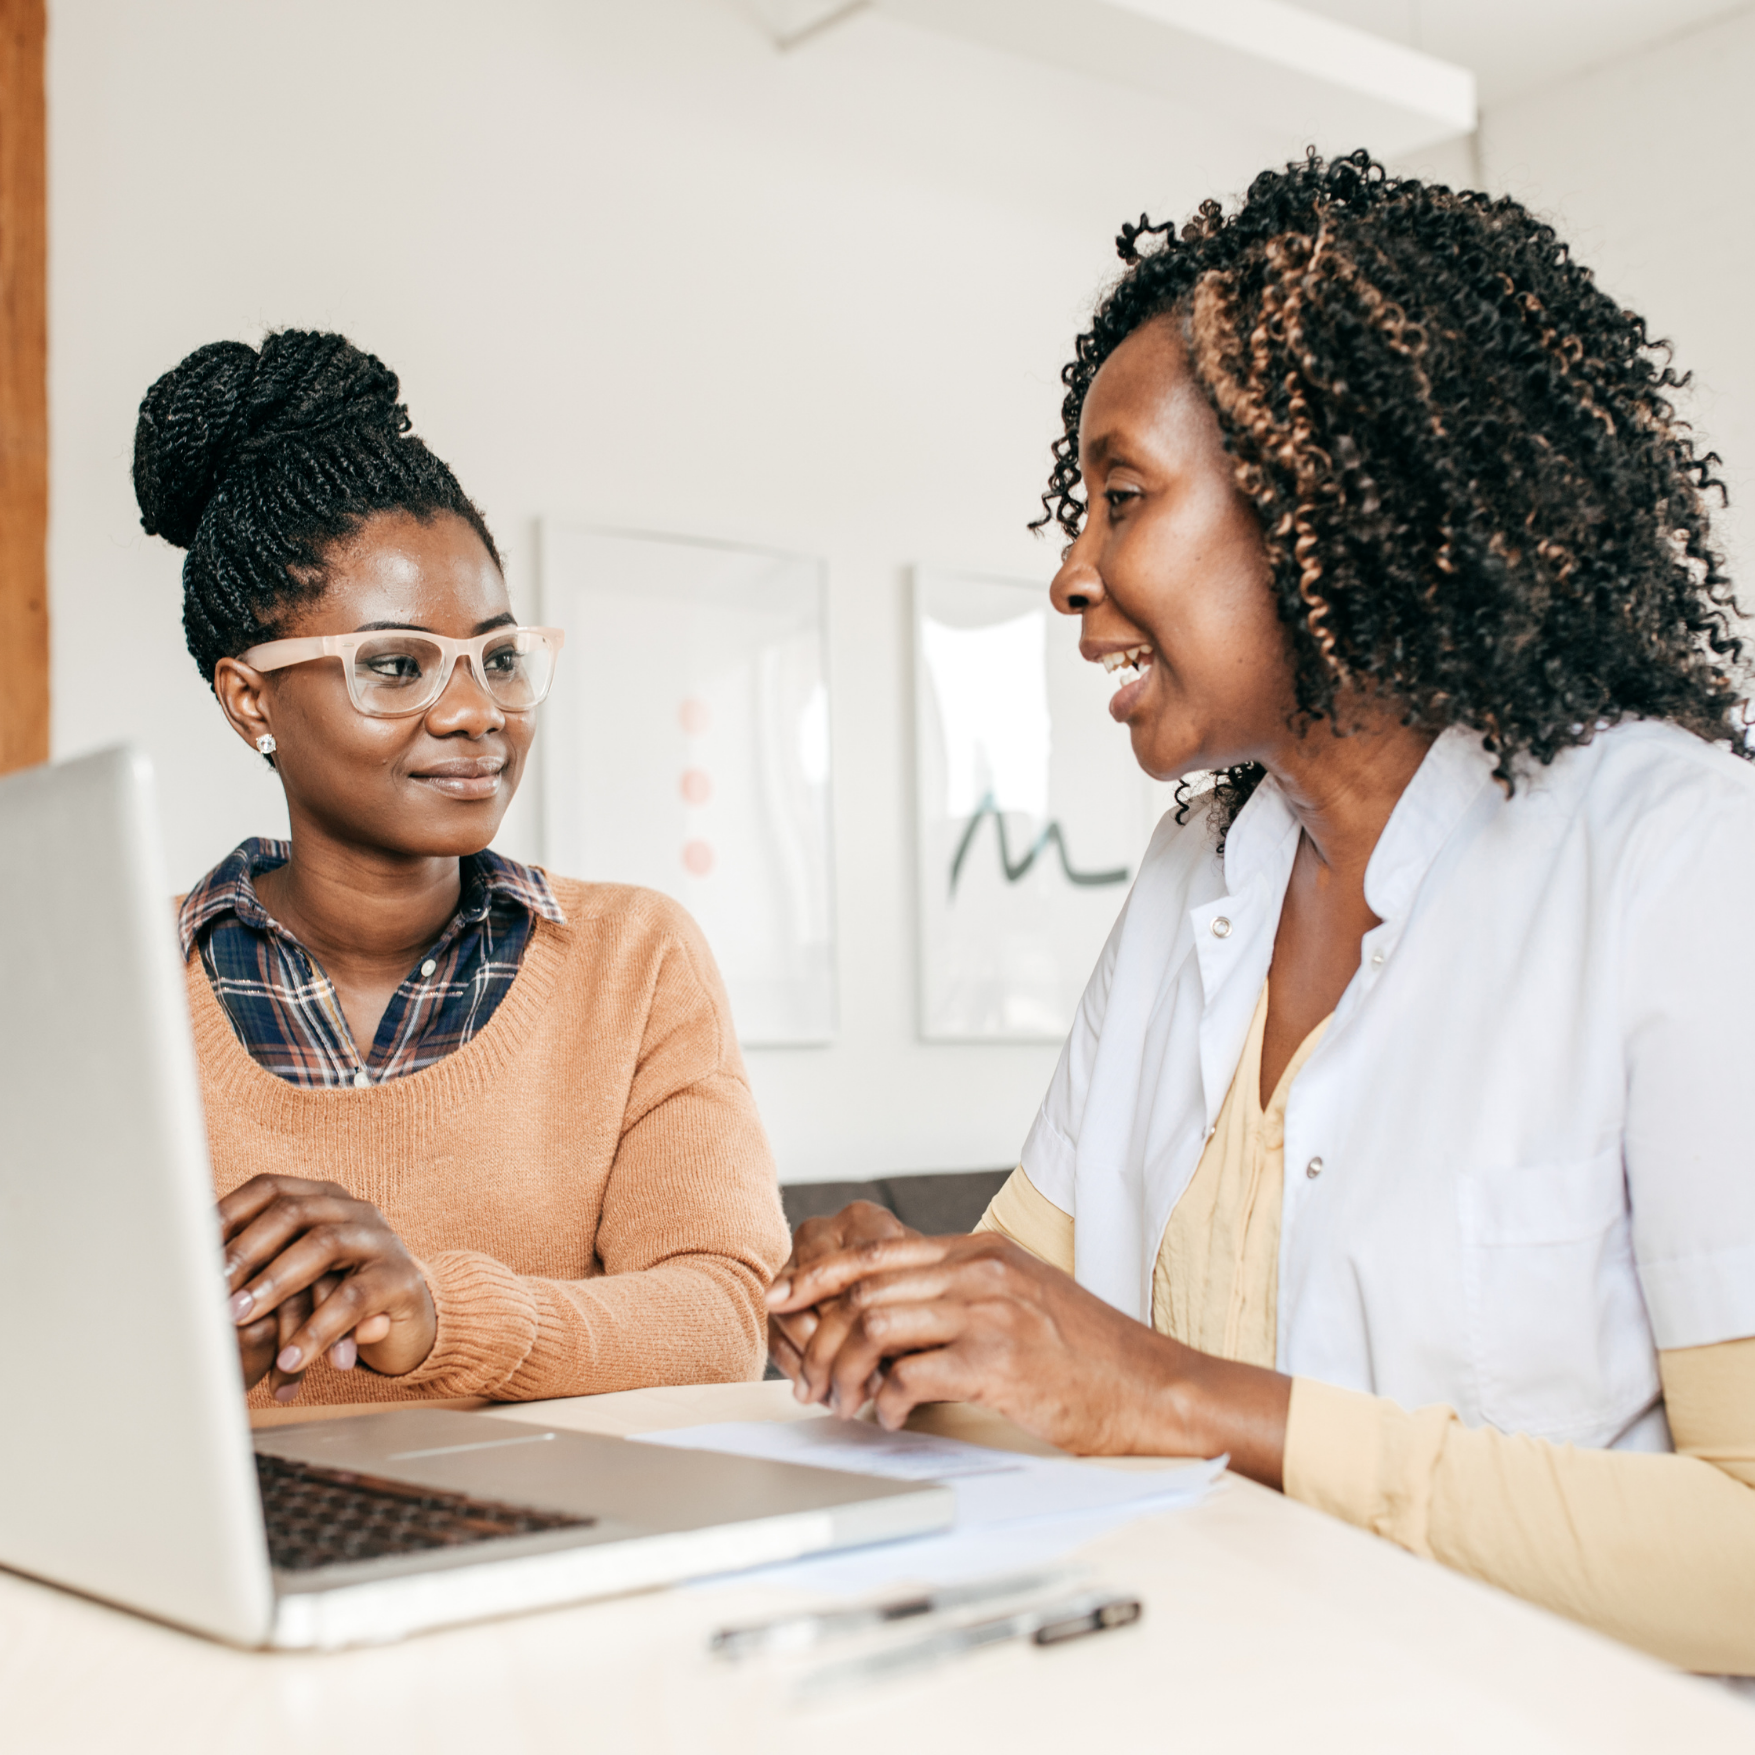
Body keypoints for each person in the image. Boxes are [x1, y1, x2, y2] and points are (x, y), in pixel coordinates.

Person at [767, 152, 1755, 1675]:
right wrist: (888, 1305)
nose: (1069, 572)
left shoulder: (1671, 857)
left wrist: (1169, 1392)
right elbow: (1031, 1366)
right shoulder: (1191, 879)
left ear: (1319, 496)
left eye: (1122, 499)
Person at [134, 329, 789, 1410]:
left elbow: (723, 1317)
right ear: (250, 700)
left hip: (543, 1557)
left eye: (497, 656)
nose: (477, 710)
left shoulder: (633, 959)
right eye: (395, 666)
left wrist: (435, 1314)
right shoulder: (117, 984)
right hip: (209, 1560)